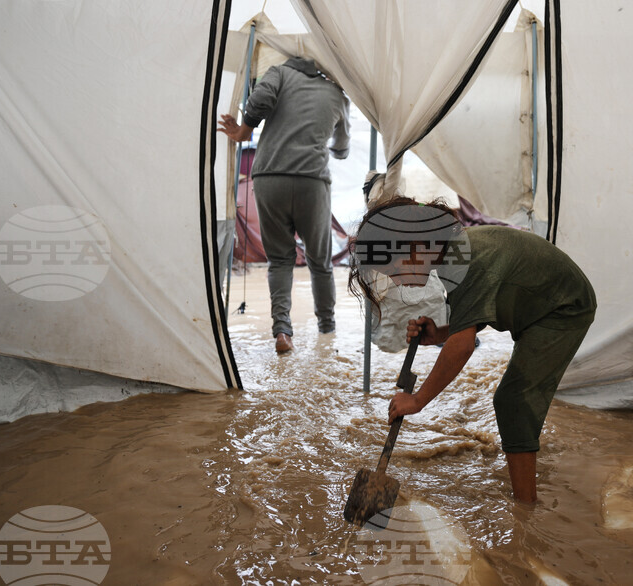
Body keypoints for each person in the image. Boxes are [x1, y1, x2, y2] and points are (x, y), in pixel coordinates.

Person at [349, 197, 596, 503]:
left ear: (413, 247)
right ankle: (524, 484)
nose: (398, 281)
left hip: (563, 309)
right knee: (514, 398)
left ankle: (526, 509)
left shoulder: (462, 261)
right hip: (540, 305)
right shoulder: (456, 254)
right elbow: (479, 311)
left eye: (395, 270)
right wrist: (438, 333)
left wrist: (417, 399)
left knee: (514, 400)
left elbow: (463, 346)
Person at [218, 57, 350, 353]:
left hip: (269, 177)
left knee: (280, 260)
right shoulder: (338, 95)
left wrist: (244, 131)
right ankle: (327, 331)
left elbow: (261, 97)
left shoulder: (279, 73)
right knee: (320, 262)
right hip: (311, 181)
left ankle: (282, 331)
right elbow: (341, 149)